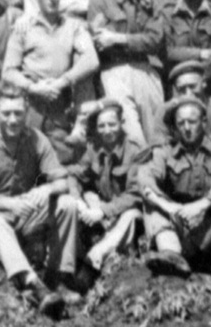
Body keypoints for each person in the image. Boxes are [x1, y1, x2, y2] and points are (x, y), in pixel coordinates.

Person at [0, 85, 83, 317]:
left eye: (18, 113)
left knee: (67, 204)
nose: (12, 120)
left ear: (27, 113)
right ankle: (31, 283)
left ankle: (57, 279)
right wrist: (8, 204)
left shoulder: (36, 139)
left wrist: (47, 189)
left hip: (24, 214)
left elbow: (62, 181)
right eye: (6, 113)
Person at [3, 0, 100, 161]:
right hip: (31, 104)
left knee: (63, 159)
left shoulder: (73, 26)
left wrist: (61, 83)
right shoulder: (24, 28)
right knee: (24, 160)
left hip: (59, 105)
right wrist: (34, 88)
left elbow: (91, 59)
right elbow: (8, 71)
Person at [138, 96, 211, 277]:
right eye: (181, 123)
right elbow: (146, 178)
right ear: (175, 127)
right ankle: (171, 255)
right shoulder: (165, 151)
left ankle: (202, 263)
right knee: (151, 203)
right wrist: (169, 206)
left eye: (192, 121)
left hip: (210, 224)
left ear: (204, 122)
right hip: (180, 221)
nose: (187, 128)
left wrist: (201, 205)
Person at [87, 0, 163, 145]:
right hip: (114, 72)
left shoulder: (145, 3)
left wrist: (118, 38)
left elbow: (155, 40)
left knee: (156, 134)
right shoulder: (100, 1)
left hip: (144, 71)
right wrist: (135, 40)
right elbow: (100, 41)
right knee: (132, 136)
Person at [70, 101, 143, 284]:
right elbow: (75, 175)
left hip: (128, 211)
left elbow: (135, 194)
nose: (107, 130)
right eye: (101, 126)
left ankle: (94, 258)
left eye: (112, 124)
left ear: (122, 123)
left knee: (131, 215)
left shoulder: (135, 150)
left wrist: (102, 211)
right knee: (86, 197)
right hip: (104, 209)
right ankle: (75, 262)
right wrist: (79, 200)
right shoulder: (94, 148)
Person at [152, 60, 211, 145]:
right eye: (182, 89)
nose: (188, 93)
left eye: (192, 87)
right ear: (175, 90)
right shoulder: (164, 112)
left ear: (204, 83)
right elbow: (159, 147)